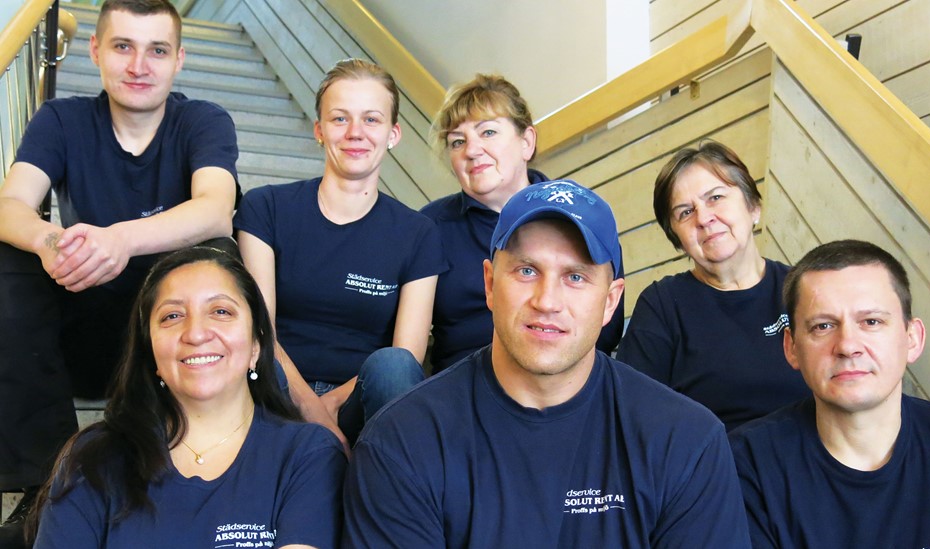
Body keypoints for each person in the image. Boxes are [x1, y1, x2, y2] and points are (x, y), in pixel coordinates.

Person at [344, 179, 750, 547]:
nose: (547, 301)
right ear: (490, 284)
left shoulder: (686, 442)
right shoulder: (402, 440)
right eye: (526, 270)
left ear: (610, 301)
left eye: (575, 277)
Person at [0, 0, 239, 535]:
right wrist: (49, 241)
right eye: (123, 46)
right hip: (82, 336)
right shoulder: (61, 119)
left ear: (178, 59)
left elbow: (215, 208)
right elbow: (9, 204)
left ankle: (196, 460)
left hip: (168, 338)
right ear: (95, 50)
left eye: (157, 50)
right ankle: (45, 480)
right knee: (9, 257)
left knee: (219, 253)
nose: (138, 66)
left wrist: (119, 240)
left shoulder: (202, 120)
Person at [27, 246, 346, 548]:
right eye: (172, 316)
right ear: (151, 352)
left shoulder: (308, 455)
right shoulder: (94, 457)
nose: (195, 333)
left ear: (256, 346)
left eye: (220, 311)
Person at [729, 240, 930, 548]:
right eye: (823, 326)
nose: (847, 345)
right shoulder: (744, 466)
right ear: (791, 347)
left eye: (871, 322)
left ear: (912, 339)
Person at [234, 59, 446, 446]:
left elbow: (408, 352)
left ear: (393, 134)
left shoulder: (418, 233)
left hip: (358, 404)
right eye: (339, 119)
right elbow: (260, 332)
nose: (355, 133)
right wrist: (315, 415)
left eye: (371, 119)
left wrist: (331, 406)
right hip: (273, 389)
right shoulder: (266, 208)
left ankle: (387, 478)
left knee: (395, 366)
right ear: (319, 130)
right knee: (252, 351)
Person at [420, 74, 624, 374]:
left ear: (526, 142)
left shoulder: (584, 217)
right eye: (458, 142)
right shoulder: (429, 227)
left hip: (562, 378)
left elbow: (607, 333)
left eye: (488, 132)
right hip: (461, 385)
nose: (471, 151)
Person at [617, 141, 809, 430]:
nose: (704, 218)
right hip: (717, 458)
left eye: (715, 197)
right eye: (685, 212)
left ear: (753, 207)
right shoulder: (662, 305)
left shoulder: (803, 291)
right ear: (678, 239)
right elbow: (634, 415)